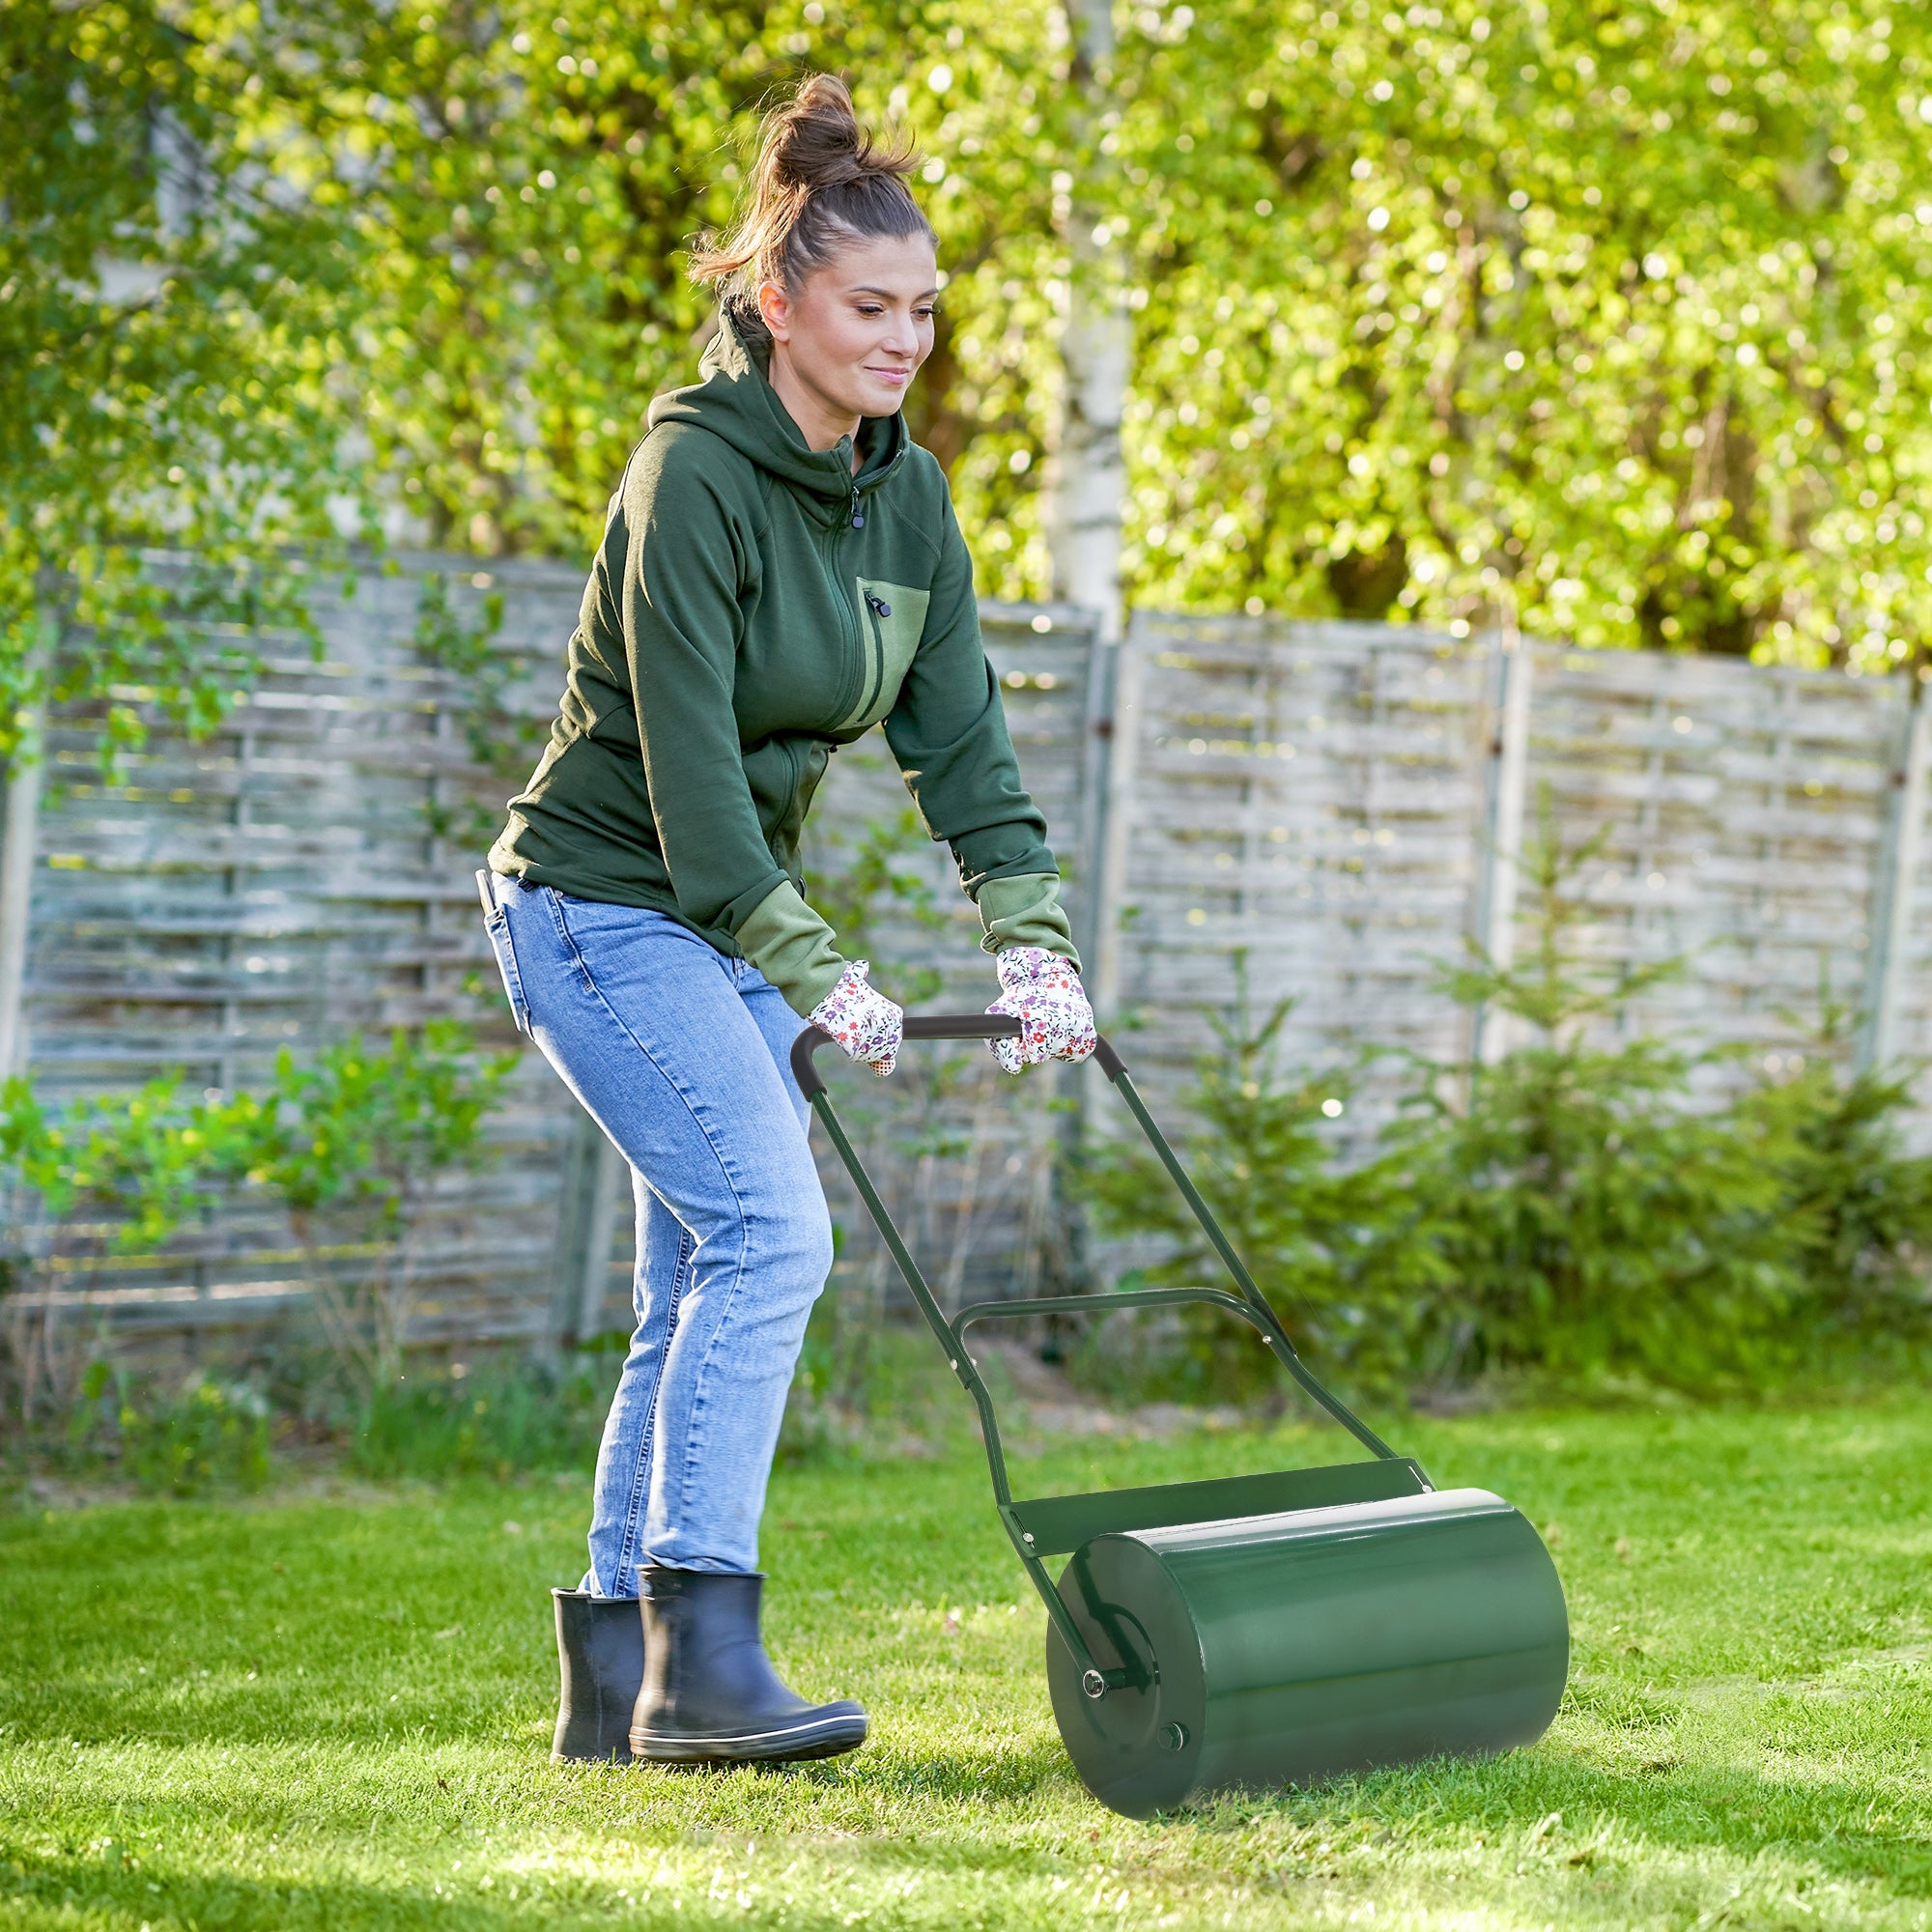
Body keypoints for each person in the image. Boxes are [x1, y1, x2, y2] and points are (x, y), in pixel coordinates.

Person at [478, 73, 1096, 1769]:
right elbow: (692, 798)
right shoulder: (692, 477)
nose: (905, 339)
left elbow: (961, 739)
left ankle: (619, 1682)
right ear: (779, 306)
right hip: (600, 908)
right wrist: (832, 979)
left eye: (925, 310)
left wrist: (1029, 938)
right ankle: (703, 1666)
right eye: (869, 307)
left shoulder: (909, 500)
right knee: (774, 1239)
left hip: (713, 925)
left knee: (696, 1281)